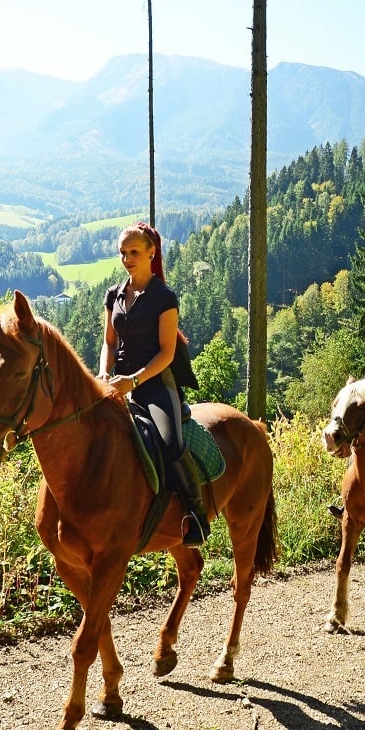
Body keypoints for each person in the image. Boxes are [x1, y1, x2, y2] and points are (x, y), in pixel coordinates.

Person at [100, 223, 207, 546]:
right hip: (116, 383)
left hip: (156, 386)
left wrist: (132, 381)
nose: (127, 259)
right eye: (122, 253)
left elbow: (166, 353)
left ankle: (195, 514)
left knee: (171, 442)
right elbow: (109, 341)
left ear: (151, 252)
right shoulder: (114, 295)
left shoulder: (164, 298)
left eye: (133, 252)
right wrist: (104, 374)